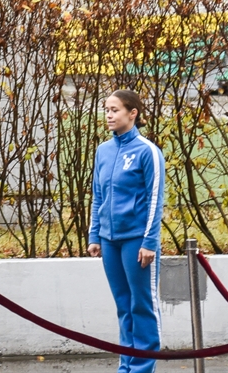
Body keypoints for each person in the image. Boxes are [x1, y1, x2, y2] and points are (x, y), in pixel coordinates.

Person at [88, 90, 165, 373]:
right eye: (106, 109)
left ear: (132, 113)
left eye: (115, 110)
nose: (109, 115)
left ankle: (142, 369)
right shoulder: (103, 151)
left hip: (137, 240)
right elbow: (98, 195)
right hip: (110, 241)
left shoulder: (148, 152)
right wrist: (95, 235)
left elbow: (155, 200)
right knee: (123, 305)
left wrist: (149, 242)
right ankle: (126, 366)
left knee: (141, 305)